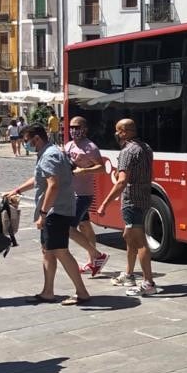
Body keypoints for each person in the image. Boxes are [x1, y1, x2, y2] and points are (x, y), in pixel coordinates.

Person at [3, 123, 91, 305]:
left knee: (60, 251)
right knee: (48, 251)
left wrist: (43, 213)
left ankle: (82, 292)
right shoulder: (49, 152)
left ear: (37, 138)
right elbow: (39, 179)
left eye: (27, 141)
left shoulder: (50, 155)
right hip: (57, 209)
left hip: (55, 211)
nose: (26, 144)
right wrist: (17, 190)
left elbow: (53, 184)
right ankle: (48, 291)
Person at [97, 118, 159, 296]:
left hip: (131, 201)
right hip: (144, 198)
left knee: (139, 241)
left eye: (117, 130)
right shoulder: (145, 148)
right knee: (128, 236)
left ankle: (148, 283)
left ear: (123, 131)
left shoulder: (127, 151)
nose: (116, 134)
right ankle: (129, 274)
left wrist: (104, 203)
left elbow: (122, 181)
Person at [63, 116, 109, 276]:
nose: (74, 130)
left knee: (68, 228)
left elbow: (102, 168)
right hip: (71, 192)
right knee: (85, 225)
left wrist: (85, 171)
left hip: (82, 194)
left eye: (77, 127)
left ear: (85, 129)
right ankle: (93, 262)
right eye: (71, 127)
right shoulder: (68, 145)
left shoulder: (90, 147)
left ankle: (98, 256)